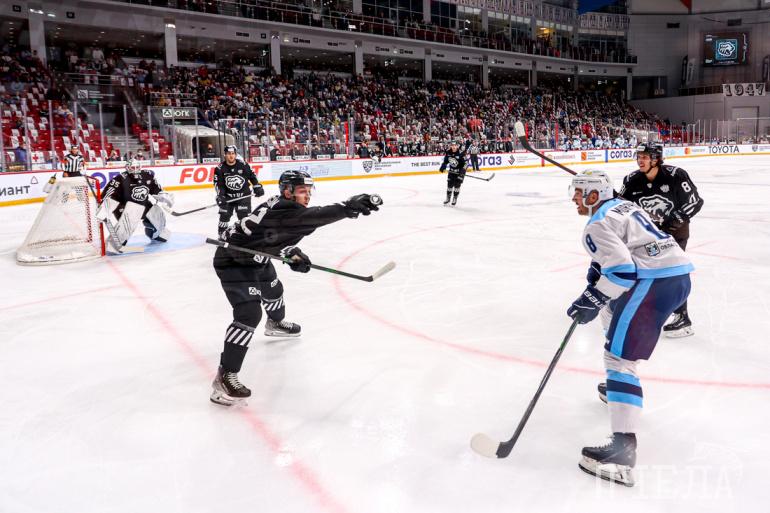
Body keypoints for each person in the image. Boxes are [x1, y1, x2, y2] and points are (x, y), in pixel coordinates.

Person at [209, 170, 382, 406]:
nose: (307, 195)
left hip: (256, 255)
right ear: (288, 192)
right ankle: (225, 376)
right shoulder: (285, 209)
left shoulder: (284, 207)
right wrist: (346, 208)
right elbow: (314, 217)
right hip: (233, 260)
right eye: (302, 191)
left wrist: (291, 253)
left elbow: (272, 237)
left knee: (274, 290)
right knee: (249, 313)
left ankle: (275, 324)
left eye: (309, 191)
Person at [566, 169, 693, 487]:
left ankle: (621, 453)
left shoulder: (596, 224)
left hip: (653, 282)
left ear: (594, 195)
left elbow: (622, 271)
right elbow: (623, 250)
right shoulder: (624, 206)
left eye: (579, 192)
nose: (574, 198)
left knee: (619, 359)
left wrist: (590, 299)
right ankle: (617, 389)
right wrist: (598, 276)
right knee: (611, 312)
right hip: (677, 277)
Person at [619, 143, 704, 337]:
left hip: (675, 233)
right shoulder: (632, 180)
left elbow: (695, 202)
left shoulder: (676, 176)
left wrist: (675, 219)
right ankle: (640, 310)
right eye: (638, 156)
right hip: (648, 234)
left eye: (644, 157)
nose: (640, 160)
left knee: (672, 271)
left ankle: (682, 318)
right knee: (641, 269)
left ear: (656, 159)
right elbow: (622, 205)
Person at [98, 159, 174, 249]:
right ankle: (115, 242)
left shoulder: (147, 176)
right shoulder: (120, 178)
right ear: (127, 168)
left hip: (143, 204)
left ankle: (155, 234)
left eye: (137, 167)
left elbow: (156, 189)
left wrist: (163, 196)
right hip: (124, 207)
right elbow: (108, 193)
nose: (135, 170)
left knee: (157, 213)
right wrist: (104, 206)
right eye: (132, 167)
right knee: (131, 215)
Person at [213, 145, 264, 236]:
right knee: (224, 216)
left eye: (233, 153)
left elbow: (252, 176)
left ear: (236, 154)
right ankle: (221, 235)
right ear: (225, 155)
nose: (231, 156)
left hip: (243, 196)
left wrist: (257, 186)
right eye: (229, 153)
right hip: (228, 197)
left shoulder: (243, 165)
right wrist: (221, 196)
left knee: (244, 217)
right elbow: (219, 184)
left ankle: (245, 236)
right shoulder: (219, 168)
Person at [439, 140, 468, 206]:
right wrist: (443, 166)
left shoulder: (461, 153)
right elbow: (445, 161)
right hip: (451, 172)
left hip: (460, 173)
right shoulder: (448, 152)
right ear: (450, 146)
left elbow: (466, 163)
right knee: (449, 185)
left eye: (455, 145)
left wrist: (462, 171)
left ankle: (455, 198)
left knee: (457, 186)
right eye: (452, 145)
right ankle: (448, 198)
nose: (454, 147)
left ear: (457, 146)